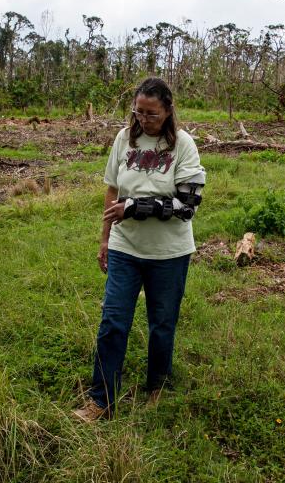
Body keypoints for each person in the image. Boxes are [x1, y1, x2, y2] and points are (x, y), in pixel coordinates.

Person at [73, 77, 206, 421]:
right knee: (113, 321)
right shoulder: (124, 139)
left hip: (169, 254)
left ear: (168, 110)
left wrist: (134, 207)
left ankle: (157, 388)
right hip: (125, 247)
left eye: (152, 114)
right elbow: (112, 189)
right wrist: (104, 238)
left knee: (162, 323)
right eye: (139, 112)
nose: (144, 119)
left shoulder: (184, 145)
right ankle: (101, 400)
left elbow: (188, 204)